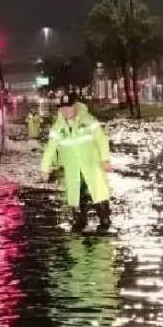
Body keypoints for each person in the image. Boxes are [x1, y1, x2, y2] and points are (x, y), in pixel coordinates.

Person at [40, 93, 113, 232]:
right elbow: (50, 149)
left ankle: (104, 220)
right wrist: (44, 168)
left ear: (75, 107)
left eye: (69, 107)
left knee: (97, 193)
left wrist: (105, 160)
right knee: (77, 196)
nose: (66, 111)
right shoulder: (58, 128)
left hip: (92, 166)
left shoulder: (88, 121)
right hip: (73, 170)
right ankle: (80, 221)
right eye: (63, 108)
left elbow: (101, 140)